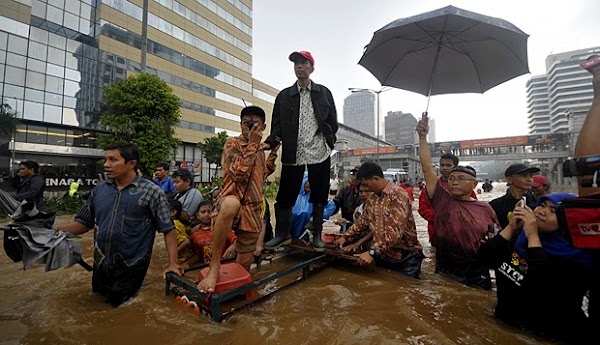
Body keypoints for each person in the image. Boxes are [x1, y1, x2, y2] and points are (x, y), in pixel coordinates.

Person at [52, 143, 181, 306]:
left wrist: (172, 264)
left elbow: (168, 230)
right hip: (101, 264)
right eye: (106, 160)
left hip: (131, 267)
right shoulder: (99, 190)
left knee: (119, 309)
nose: (106, 165)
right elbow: (83, 223)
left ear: (131, 164)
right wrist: (56, 230)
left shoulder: (152, 193)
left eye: (113, 160)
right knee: (96, 304)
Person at [479, 193, 592, 343]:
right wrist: (511, 227)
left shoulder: (578, 257)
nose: (541, 211)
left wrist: (533, 236)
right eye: (542, 205)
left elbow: (541, 282)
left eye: (553, 211)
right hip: (507, 329)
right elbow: (484, 258)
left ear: (570, 220)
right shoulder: (520, 240)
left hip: (549, 337)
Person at [262, 50, 338, 252]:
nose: (299, 66)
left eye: (303, 63)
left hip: (319, 150)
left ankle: (317, 235)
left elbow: (332, 121)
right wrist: (271, 143)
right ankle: (283, 234)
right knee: (286, 193)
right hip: (293, 151)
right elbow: (277, 125)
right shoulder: (284, 96)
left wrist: (330, 142)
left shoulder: (324, 93)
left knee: (319, 193)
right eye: (296, 63)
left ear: (311, 68)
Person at [197, 106, 278, 293]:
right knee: (231, 204)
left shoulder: (259, 149)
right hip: (231, 201)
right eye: (246, 124)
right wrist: (252, 145)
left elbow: (261, 174)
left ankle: (238, 291)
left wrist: (272, 153)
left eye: (254, 125)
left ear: (263, 126)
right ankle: (214, 267)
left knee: (245, 261)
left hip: (252, 207)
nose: (249, 129)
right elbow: (239, 173)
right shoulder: (231, 144)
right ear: (240, 124)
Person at [416, 114, 498, 289]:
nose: (454, 181)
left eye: (461, 178)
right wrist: (423, 138)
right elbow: (427, 167)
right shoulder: (441, 199)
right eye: (452, 178)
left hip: (476, 271)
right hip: (447, 267)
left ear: (474, 184)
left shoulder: (485, 208)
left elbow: (495, 238)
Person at [335, 162, 423, 278]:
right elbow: (362, 222)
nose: (366, 188)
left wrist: (372, 253)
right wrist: (345, 236)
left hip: (406, 257)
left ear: (376, 179)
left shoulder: (398, 195)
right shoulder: (372, 198)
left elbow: (393, 233)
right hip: (383, 254)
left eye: (366, 184)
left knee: (405, 290)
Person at [418, 153, 476, 246]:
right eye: (442, 165)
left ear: (455, 166)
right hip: (436, 233)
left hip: (461, 235)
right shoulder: (432, 187)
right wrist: (441, 217)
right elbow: (423, 209)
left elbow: (473, 208)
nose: (444, 168)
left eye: (448, 165)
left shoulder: (465, 187)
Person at [181, 200, 237, 270]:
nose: (207, 215)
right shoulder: (195, 235)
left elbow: (235, 240)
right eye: (203, 212)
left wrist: (233, 246)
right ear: (197, 215)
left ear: (214, 213)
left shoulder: (222, 228)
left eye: (209, 212)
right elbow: (198, 255)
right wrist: (186, 263)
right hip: (208, 269)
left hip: (227, 266)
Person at [489, 163, 539, 229]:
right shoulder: (495, 205)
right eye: (524, 176)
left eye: (531, 176)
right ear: (509, 180)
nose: (530, 180)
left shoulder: (538, 203)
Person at [169, 199, 193, 264]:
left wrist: (174, 255)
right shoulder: (178, 223)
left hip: (180, 260)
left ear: (173, 212)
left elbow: (186, 242)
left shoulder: (173, 225)